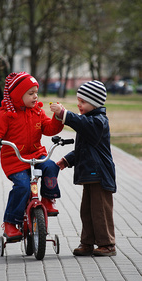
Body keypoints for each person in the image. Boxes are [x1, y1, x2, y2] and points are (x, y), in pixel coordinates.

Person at [0, 72, 64, 240]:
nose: (35, 96)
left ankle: (48, 199)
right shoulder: (6, 114)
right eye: (30, 93)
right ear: (17, 95)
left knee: (51, 166)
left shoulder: (37, 112)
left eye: (36, 92)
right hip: (15, 160)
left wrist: (57, 117)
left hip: (37, 156)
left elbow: (49, 129)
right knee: (22, 186)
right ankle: (10, 223)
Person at [50, 80, 117, 256]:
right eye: (78, 100)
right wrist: (67, 160)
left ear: (94, 103)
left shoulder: (98, 121)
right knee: (86, 210)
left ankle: (108, 244)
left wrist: (65, 114)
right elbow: (84, 148)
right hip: (90, 174)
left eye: (83, 102)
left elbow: (83, 126)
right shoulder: (88, 120)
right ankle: (87, 242)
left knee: (100, 210)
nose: (79, 104)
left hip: (100, 174)